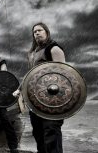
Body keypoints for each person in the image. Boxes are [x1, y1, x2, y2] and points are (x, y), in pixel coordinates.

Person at [13, 22, 65, 153]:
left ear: (46, 32)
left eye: (39, 30)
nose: (36, 33)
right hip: (35, 100)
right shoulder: (32, 53)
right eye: (34, 32)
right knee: (38, 133)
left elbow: (64, 75)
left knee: (51, 133)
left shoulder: (54, 49)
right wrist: (19, 89)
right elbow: (29, 74)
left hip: (52, 101)